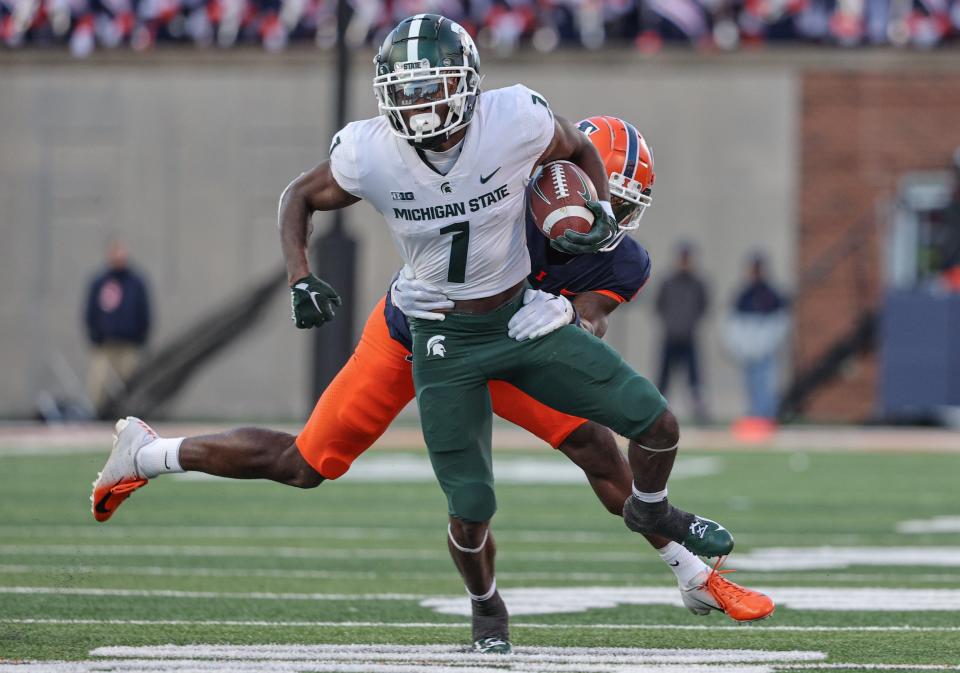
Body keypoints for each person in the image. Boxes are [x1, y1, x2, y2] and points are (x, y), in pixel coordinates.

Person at [93, 15, 768, 653]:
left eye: (618, 206)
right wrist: (394, 278)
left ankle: (691, 574)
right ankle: (150, 453)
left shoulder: (619, 251)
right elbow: (436, 218)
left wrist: (568, 312)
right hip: (418, 331)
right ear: (542, 174)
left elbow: (593, 309)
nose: (596, 211)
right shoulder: (506, 171)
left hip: (517, 340)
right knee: (306, 464)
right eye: (583, 192)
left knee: (595, 441)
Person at [83, 239, 151, 415]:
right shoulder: (100, 282)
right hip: (105, 344)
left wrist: (140, 337)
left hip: (129, 344)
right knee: (99, 382)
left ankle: (130, 416)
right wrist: (95, 336)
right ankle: (96, 415)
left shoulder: (136, 282)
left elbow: (144, 311)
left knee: (130, 383)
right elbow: (90, 311)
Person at [724, 253, 789, 421]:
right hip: (749, 350)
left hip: (765, 350)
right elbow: (734, 322)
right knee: (750, 385)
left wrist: (768, 343)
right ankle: (755, 416)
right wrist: (740, 346)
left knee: (766, 384)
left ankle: (766, 417)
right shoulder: (744, 295)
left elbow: (780, 322)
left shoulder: (772, 294)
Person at [655, 243, 710, 423]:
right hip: (670, 336)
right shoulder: (668, 282)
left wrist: (690, 323)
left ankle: (699, 414)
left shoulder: (697, 283)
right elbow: (659, 305)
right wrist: (671, 323)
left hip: (689, 337)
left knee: (694, 379)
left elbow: (703, 307)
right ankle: (657, 413)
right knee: (663, 378)